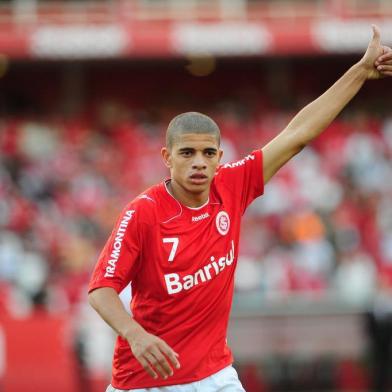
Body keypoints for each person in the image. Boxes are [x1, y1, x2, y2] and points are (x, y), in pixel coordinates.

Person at [88, 26, 392, 392]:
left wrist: (359, 71)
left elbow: (298, 133)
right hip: (147, 381)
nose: (198, 162)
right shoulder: (144, 212)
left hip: (216, 375)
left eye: (207, 153)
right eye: (187, 153)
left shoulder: (232, 185)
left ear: (220, 157)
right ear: (167, 158)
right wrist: (134, 334)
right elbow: (101, 288)